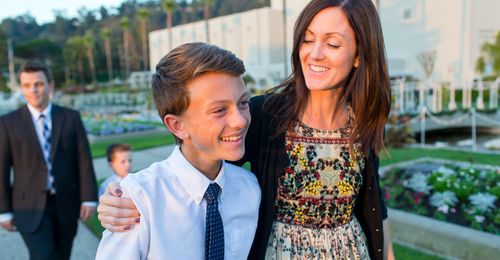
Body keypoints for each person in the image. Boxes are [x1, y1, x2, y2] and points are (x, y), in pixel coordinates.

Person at [98, 0, 395, 259]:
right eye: (307, 39)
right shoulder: (262, 115)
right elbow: (198, 162)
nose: (315, 53)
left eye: (332, 44)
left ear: (359, 54)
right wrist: (126, 199)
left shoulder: (365, 119)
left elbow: (373, 203)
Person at [95, 42, 261, 259]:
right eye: (219, 110)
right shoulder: (140, 199)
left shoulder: (249, 188)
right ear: (177, 126)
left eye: (243, 103)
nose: (240, 121)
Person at [0, 60, 98, 260]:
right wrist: (4, 211)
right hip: (29, 206)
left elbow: (84, 160)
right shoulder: (8, 123)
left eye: (39, 84)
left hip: (66, 204)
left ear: (50, 85)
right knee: (43, 256)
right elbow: (1, 170)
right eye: (27, 85)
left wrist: (88, 197)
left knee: (62, 256)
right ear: (21, 88)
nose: (33, 90)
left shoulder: (70, 118)